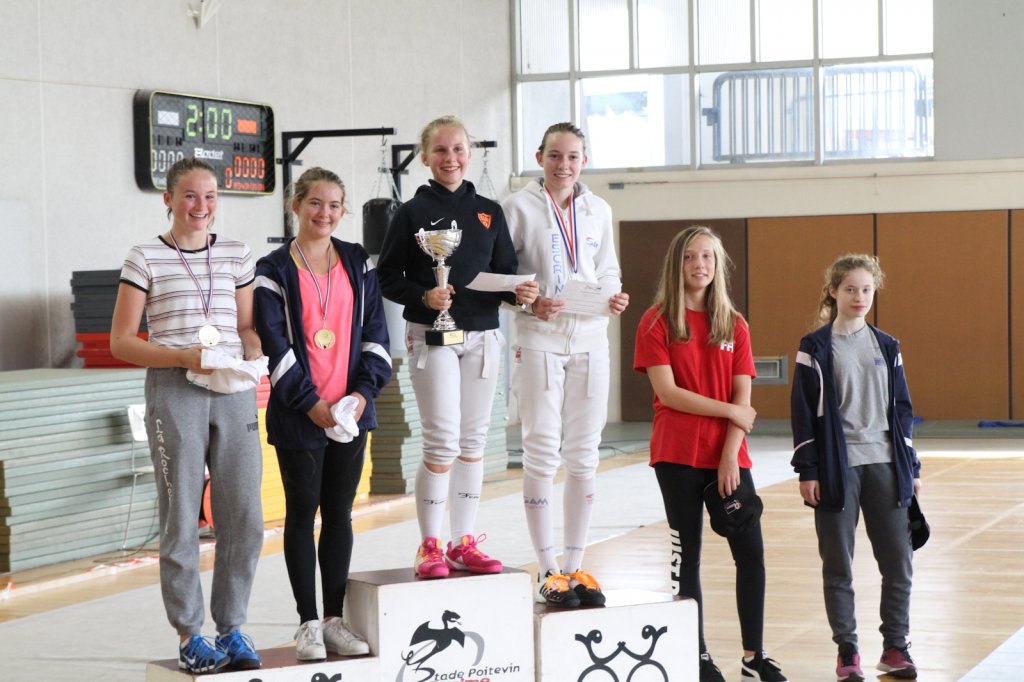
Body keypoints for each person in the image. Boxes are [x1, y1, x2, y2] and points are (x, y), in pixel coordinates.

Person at [110, 157, 264, 674]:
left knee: (244, 515)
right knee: (181, 516)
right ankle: (189, 634)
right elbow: (121, 341)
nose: (202, 206)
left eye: (211, 196)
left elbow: (246, 326)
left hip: (231, 387)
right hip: (175, 388)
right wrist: (182, 357)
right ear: (169, 200)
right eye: (191, 195)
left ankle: (232, 627)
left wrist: (252, 352)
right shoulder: (145, 257)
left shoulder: (237, 253)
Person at [377, 115, 539, 579]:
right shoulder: (410, 213)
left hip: (483, 334)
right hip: (432, 336)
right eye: (441, 150)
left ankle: (461, 543)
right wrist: (423, 296)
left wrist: (520, 293)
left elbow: (505, 273)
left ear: (469, 154)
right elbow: (387, 276)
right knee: (442, 439)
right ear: (425, 157)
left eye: (458, 149)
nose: (451, 158)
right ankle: (428, 546)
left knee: (472, 441)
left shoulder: (489, 211)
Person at [633, 226, 787, 682]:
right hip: (677, 453)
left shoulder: (734, 324)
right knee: (689, 558)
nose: (699, 264)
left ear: (718, 265)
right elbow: (669, 393)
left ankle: (753, 658)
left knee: (751, 554)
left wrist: (729, 455)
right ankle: (696, 657)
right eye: (689, 257)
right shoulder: (656, 321)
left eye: (707, 257)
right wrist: (731, 412)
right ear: (676, 265)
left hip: (729, 455)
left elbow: (743, 399)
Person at [254, 167, 392, 661]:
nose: (324, 213)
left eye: (334, 205)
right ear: (296, 205)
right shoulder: (273, 269)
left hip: (350, 413)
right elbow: (274, 344)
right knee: (300, 514)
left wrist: (361, 396)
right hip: (301, 414)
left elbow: (376, 334)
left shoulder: (358, 261)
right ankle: (307, 623)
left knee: (339, 516)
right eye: (315, 203)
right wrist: (311, 404)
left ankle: (334, 619)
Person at [501, 122, 629, 608]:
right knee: (540, 451)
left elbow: (608, 267)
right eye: (555, 155)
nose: (564, 165)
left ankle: (575, 566)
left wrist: (614, 294)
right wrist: (528, 302)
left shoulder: (599, 209)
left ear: (584, 162)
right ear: (540, 157)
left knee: (584, 453)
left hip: (592, 338)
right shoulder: (516, 207)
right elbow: (502, 277)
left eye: (573, 157)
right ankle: (547, 568)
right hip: (539, 338)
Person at [790, 254, 921, 681]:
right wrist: (808, 469)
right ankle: (847, 652)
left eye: (866, 289)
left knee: (898, 562)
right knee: (838, 565)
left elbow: (902, 411)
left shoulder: (888, 345)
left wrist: (912, 466)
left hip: (887, 465)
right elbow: (803, 414)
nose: (859, 297)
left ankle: (895, 647)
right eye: (850, 289)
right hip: (836, 469)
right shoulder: (814, 347)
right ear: (834, 292)